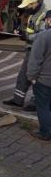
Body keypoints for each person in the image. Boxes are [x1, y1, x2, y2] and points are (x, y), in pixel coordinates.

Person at [3, 0, 47, 111]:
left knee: (36, 76)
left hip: (38, 51)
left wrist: (27, 36)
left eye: (27, 6)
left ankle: (35, 103)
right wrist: (23, 32)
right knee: (23, 75)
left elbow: (43, 35)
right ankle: (18, 100)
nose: (26, 9)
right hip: (30, 49)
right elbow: (33, 30)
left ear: (34, 4)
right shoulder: (33, 13)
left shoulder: (44, 15)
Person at [26, 11, 51, 141]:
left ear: (49, 20)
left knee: (43, 107)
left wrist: (31, 77)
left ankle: (46, 132)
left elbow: (35, 59)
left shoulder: (43, 36)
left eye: (46, 20)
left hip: (44, 81)